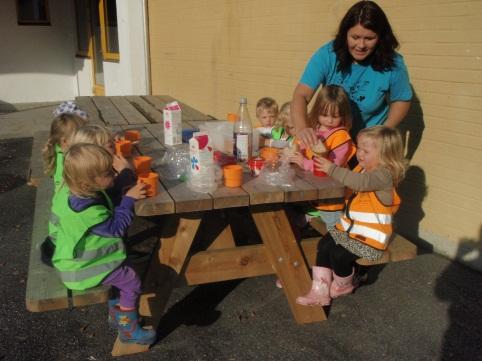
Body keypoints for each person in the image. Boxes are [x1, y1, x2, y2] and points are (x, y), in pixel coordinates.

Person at [52, 143, 156, 345]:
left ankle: (116, 314)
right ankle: (128, 328)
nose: (113, 174)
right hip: (80, 269)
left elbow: (110, 189)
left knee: (122, 275)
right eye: (108, 172)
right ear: (89, 182)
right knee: (131, 280)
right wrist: (128, 199)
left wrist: (126, 173)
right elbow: (117, 227)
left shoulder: (81, 193)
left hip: (77, 262)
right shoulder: (88, 211)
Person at [296, 126, 406, 306]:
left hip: (369, 239)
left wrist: (331, 168)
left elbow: (359, 183)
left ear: (385, 155)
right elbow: (348, 180)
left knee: (339, 255)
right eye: (359, 148)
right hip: (348, 230)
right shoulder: (362, 169)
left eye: (366, 150)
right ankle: (319, 291)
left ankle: (343, 285)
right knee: (324, 245)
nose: (360, 154)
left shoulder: (383, 175)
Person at [291, 0, 412, 147]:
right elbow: (301, 95)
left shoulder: (393, 62)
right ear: (345, 34)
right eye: (355, 37)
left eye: (369, 38)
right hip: (331, 141)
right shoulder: (328, 54)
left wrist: (383, 131)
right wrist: (303, 128)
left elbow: (402, 99)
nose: (361, 45)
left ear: (380, 37)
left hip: (368, 144)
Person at [290, 85, 356, 230]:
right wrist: (293, 152)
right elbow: (301, 146)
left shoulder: (341, 138)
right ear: (317, 111)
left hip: (332, 196)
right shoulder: (314, 130)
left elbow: (331, 167)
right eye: (325, 115)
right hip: (311, 191)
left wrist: (304, 163)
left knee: (333, 228)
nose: (329, 120)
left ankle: (337, 246)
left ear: (343, 115)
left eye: (335, 116)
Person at [40, 111, 87, 265]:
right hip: (65, 237)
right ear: (65, 141)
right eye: (81, 136)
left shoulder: (61, 153)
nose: (86, 140)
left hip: (57, 230)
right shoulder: (72, 164)